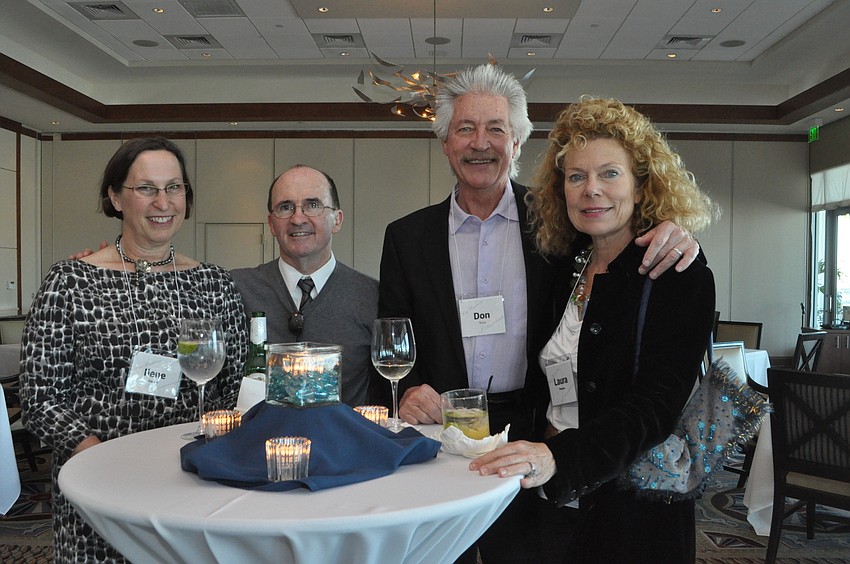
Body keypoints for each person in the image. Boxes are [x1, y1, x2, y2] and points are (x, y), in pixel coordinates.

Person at [377, 64, 701, 563]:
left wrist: (675, 229)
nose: (480, 143)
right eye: (464, 128)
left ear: (519, 142)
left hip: (538, 435)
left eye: (496, 129)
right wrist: (409, 390)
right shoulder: (406, 237)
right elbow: (392, 336)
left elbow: (627, 240)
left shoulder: (558, 225)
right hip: (443, 435)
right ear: (445, 142)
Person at [470, 97, 717, 563]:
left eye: (609, 174)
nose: (591, 190)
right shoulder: (562, 263)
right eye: (576, 176)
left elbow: (655, 407)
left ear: (642, 186)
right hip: (546, 499)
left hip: (628, 506)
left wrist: (560, 460)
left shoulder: (676, 274)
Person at [19, 137, 248, 563]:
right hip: (101, 482)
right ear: (115, 197)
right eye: (146, 188)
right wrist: (98, 454)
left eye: (174, 187)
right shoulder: (70, 281)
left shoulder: (214, 283)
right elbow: (41, 397)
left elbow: (232, 388)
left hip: (191, 479)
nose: (163, 201)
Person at [231, 165, 378, 406]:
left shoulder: (372, 296)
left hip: (343, 441)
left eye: (312, 205)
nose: (298, 219)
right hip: (258, 441)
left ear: (337, 220)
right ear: (271, 224)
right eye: (285, 207)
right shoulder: (237, 289)